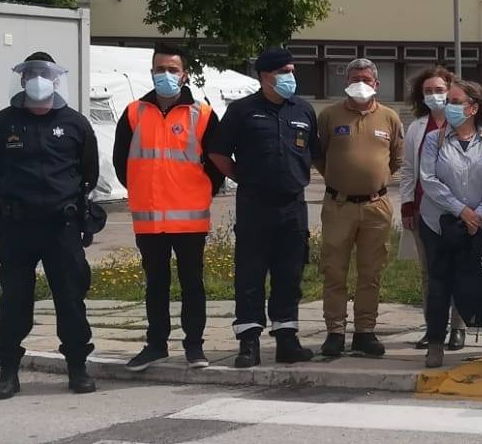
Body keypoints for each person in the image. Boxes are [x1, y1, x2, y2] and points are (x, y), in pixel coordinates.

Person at [0, 51, 98, 399]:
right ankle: (8, 373)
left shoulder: (74, 123)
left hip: (62, 228)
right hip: (18, 228)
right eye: (31, 73)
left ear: (56, 80)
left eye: (44, 74)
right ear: (22, 79)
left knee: (71, 299)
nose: (38, 80)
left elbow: (89, 172)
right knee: (14, 301)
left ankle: (78, 368)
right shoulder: (3, 124)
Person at [111, 45, 223, 370]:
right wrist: (142, 191)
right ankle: (156, 344)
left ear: (185, 74)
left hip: (189, 220)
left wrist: (202, 193)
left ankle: (194, 347)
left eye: (172, 70)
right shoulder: (134, 113)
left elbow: (216, 165)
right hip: (148, 219)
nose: (166, 75)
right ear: (151, 73)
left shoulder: (201, 114)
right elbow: (122, 163)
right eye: (160, 69)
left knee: (192, 284)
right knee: (155, 284)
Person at [206, 47, 317, 367]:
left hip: (292, 206)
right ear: (266, 77)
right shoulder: (242, 110)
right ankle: (249, 341)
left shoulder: (303, 110)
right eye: (285, 72)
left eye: (292, 71)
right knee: (250, 275)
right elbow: (218, 153)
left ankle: (287, 339)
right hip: (255, 204)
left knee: (290, 274)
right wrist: (243, 177)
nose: (291, 78)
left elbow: (314, 152)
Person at [418, 79, 482, 372]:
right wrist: (461, 210)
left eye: (457, 102)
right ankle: (435, 343)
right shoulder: (435, 140)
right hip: (440, 224)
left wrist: (479, 213)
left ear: (473, 108)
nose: (450, 107)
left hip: (481, 227)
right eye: (449, 101)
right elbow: (428, 180)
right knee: (438, 287)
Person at [313, 58, 404, 359]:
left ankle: (365, 331)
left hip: (376, 206)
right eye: (354, 78)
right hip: (338, 205)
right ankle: (335, 332)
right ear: (346, 82)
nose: (360, 83)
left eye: (366, 78)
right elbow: (320, 156)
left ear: (377, 84)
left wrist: (371, 180)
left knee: (371, 272)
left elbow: (396, 161)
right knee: (334, 271)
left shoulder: (390, 118)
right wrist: (342, 181)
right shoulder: (329, 116)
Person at [396, 63, 461, 350]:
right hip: (425, 210)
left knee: (458, 271)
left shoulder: (462, 122)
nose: (434, 95)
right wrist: (408, 205)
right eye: (428, 91)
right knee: (430, 273)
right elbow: (409, 169)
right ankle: (433, 327)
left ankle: (458, 328)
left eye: (439, 90)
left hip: (458, 211)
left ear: (450, 92)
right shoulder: (417, 128)